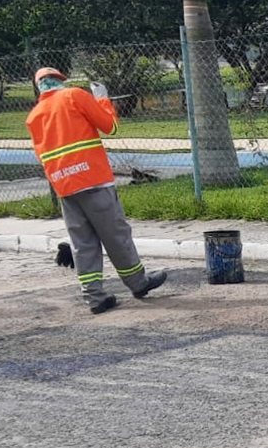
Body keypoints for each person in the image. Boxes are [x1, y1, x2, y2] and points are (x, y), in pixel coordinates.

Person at [25, 67, 167, 314]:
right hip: (93, 179)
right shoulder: (74, 95)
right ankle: (138, 283)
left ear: (39, 87)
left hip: (64, 186)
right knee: (115, 235)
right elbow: (110, 126)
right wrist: (102, 98)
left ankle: (95, 298)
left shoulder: (34, 115)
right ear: (61, 81)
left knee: (83, 243)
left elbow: (42, 155)